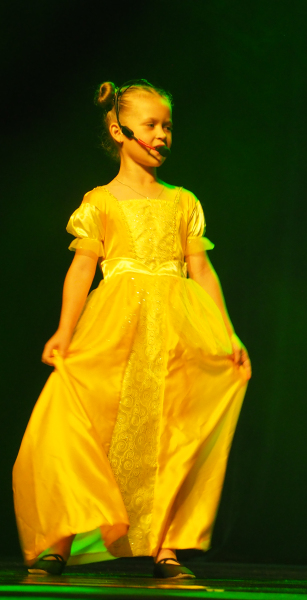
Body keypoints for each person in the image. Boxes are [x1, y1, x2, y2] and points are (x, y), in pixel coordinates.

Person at [13, 79, 251, 579]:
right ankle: (62, 536)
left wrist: (227, 333)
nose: (162, 135)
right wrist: (64, 330)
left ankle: (165, 544)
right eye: (151, 125)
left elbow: (201, 270)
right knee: (86, 419)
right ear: (119, 131)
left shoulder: (182, 201)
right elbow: (82, 268)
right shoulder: (100, 201)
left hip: (175, 327)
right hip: (116, 322)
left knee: (171, 429)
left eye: (167, 126)